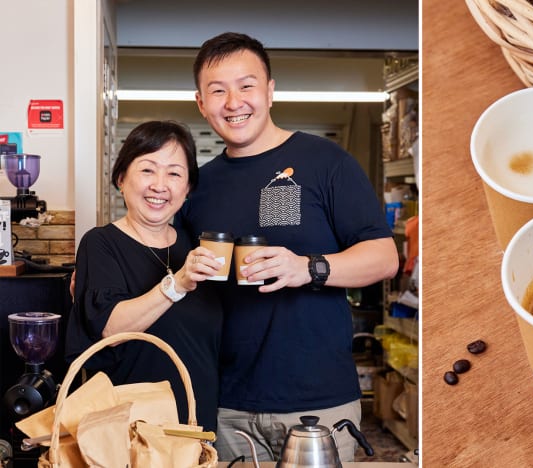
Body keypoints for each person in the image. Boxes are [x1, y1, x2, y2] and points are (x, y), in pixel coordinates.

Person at [176, 32, 399, 462]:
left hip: (317, 400)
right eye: (217, 90)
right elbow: (179, 270)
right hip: (226, 405)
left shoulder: (325, 162)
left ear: (270, 91)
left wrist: (307, 268)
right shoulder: (199, 185)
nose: (233, 101)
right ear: (201, 103)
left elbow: (384, 257)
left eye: (246, 86)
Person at [65, 120, 225, 432]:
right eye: (148, 170)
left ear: (188, 187)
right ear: (121, 178)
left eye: (174, 173)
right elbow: (111, 328)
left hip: (197, 424)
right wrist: (176, 284)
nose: (159, 185)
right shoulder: (100, 243)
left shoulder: (195, 244)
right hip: (128, 432)